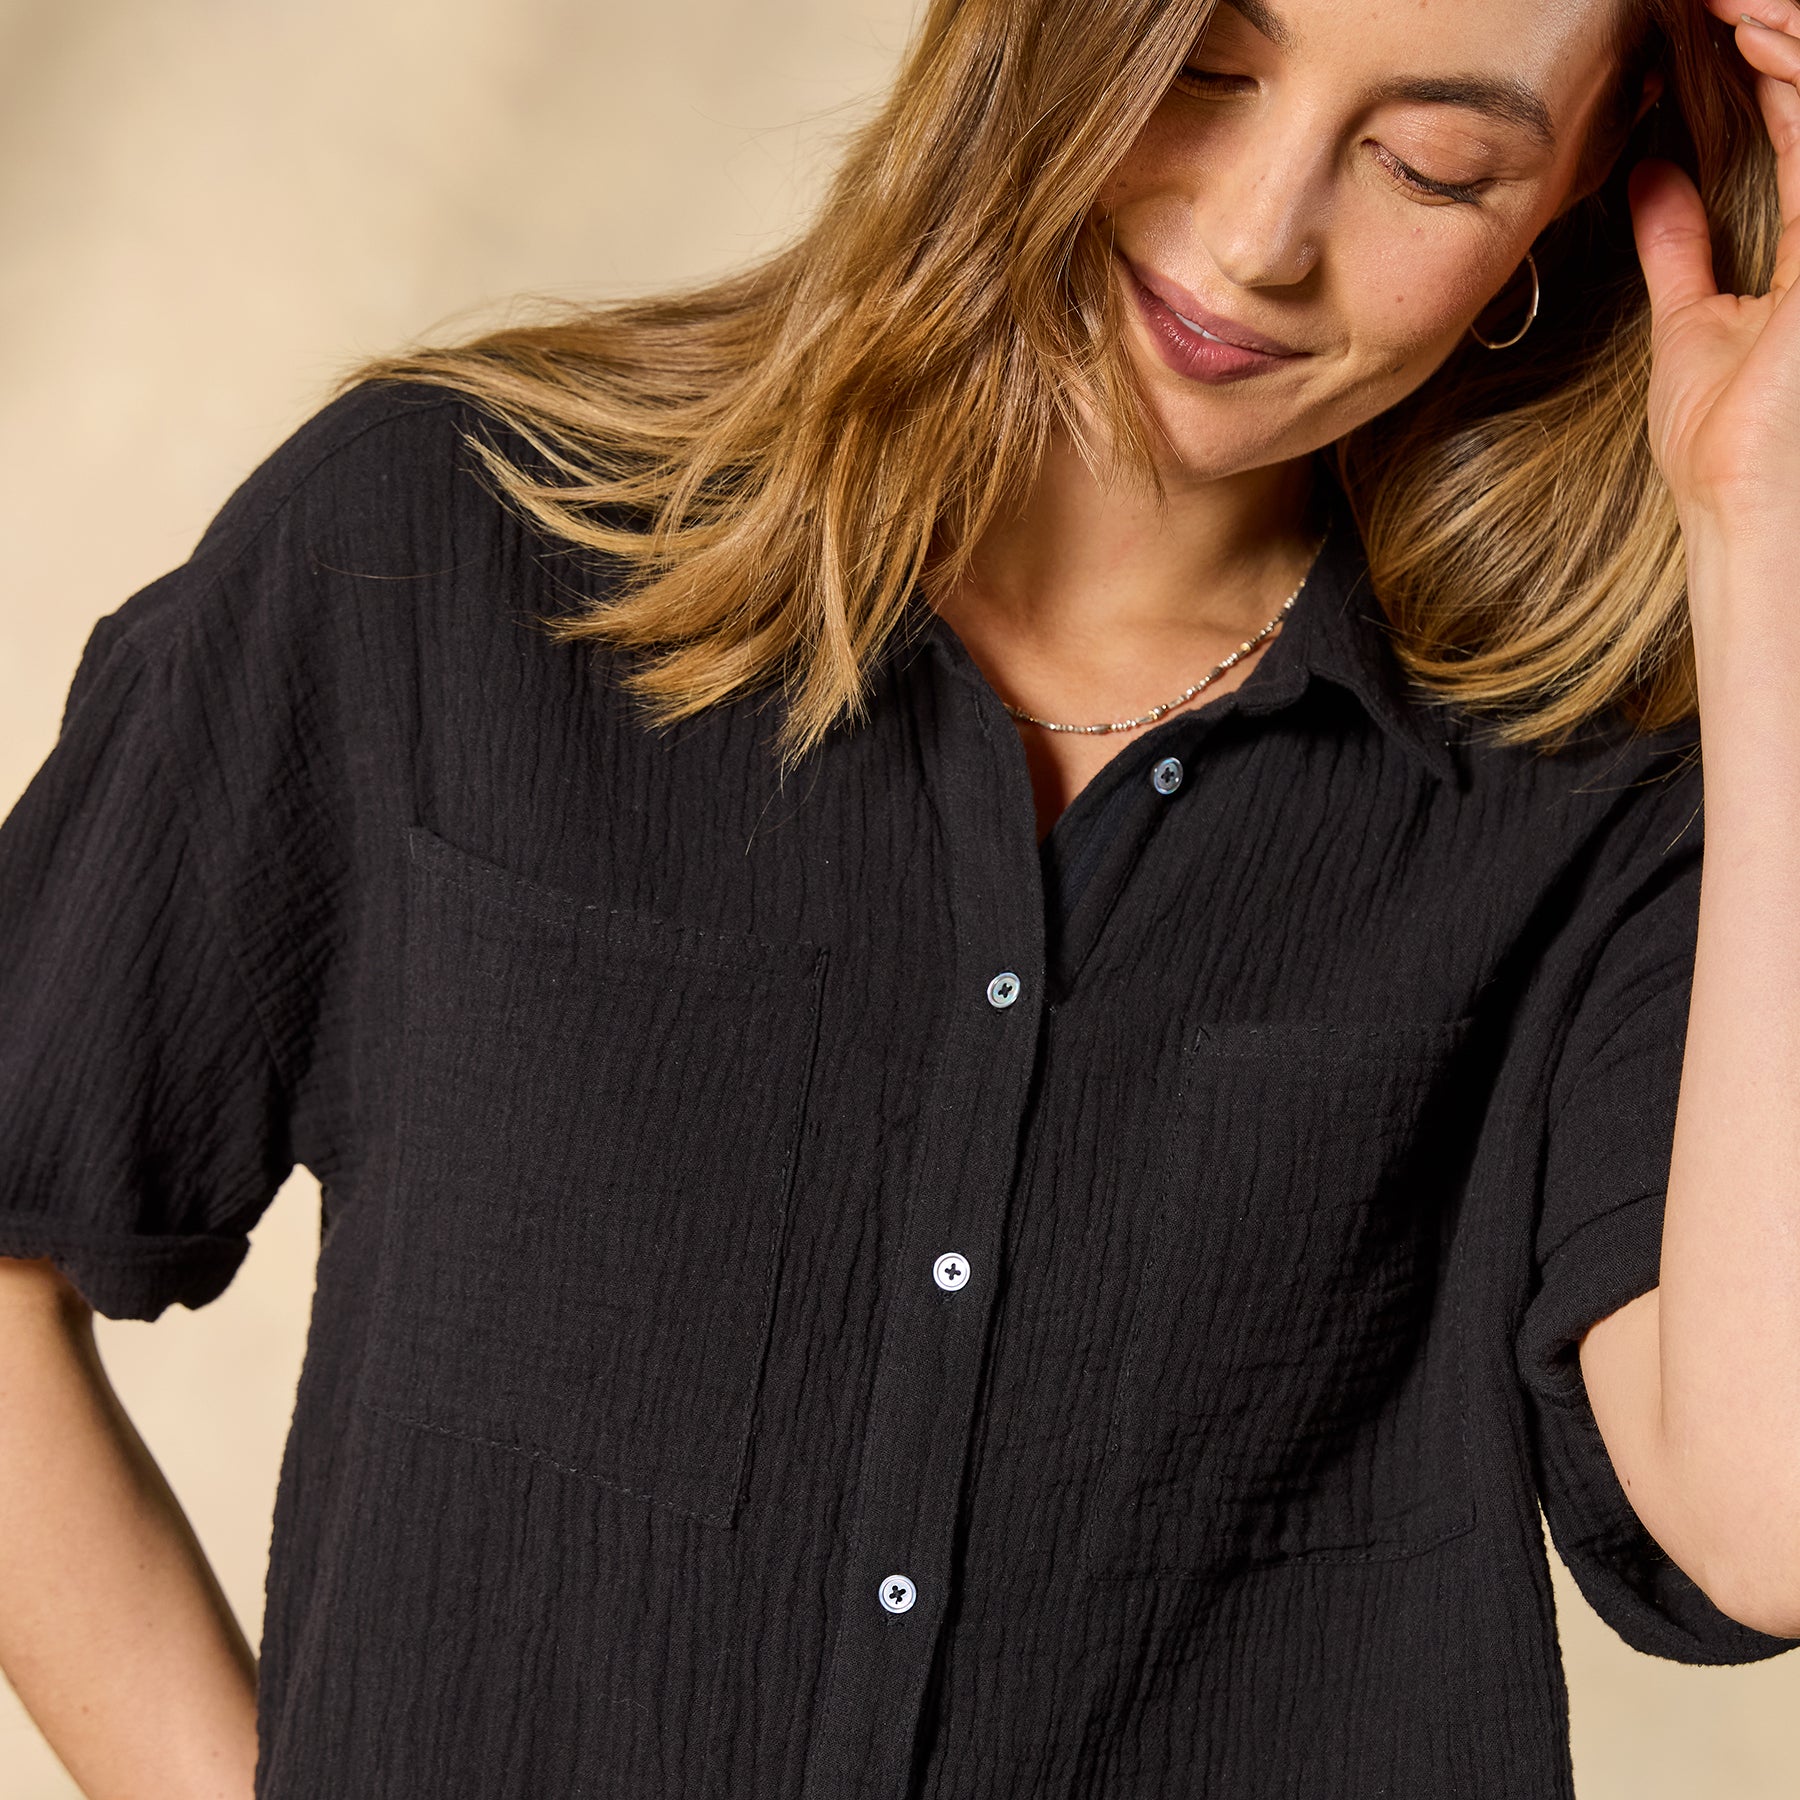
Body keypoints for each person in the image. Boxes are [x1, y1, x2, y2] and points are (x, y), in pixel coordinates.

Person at [3, 0, 1800, 1793]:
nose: (1260, 238)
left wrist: (1766, 530)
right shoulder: (441, 549)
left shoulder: (1611, 793)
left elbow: (1763, 1524)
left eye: (1432, 166)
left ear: (1593, 176)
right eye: (1201, 73)